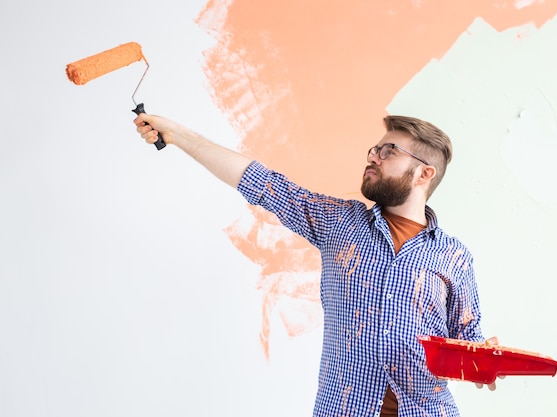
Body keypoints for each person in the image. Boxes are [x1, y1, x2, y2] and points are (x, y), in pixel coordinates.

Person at [134, 113, 497, 417]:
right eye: (375, 149)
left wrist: (483, 364)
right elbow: (262, 183)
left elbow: (465, 340)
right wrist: (180, 135)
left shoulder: (454, 257)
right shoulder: (339, 222)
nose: (373, 156)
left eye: (389, 151)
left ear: (423, 174)